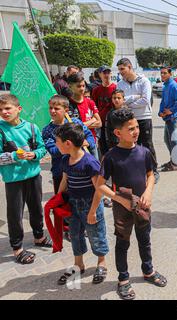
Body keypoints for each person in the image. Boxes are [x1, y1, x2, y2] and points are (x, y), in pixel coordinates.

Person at [96, 108, 167, 300]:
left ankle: (148, 270)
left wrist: (148, 192)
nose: (136, 131)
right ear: (118, 133)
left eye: (136, 127)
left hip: (143, 204)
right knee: (123, 243)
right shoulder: (110, 156)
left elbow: (151, 175)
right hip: (122, 207)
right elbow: (100, 185)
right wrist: (119, 199)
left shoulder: (144, 152)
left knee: (145, 239)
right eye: (131, 129)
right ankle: (123, 279)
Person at [0, 94, 52, 264]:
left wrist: (35, 154)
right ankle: (17, 248)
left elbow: (42, 148)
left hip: (34, 176)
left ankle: (39, 237)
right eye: (1, 110)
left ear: (18, 109)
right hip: (13, 180)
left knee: (36, 208)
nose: (4, 112)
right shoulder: (1, 130)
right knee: (15, 214)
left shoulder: (31, 127)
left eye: (8, 108)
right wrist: (15, 156)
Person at [55, 123, 109, 285]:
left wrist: (93, 211)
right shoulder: (65, 159)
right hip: (73, 205)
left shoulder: (90, 162)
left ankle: (101, 262)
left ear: (68, 143)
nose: (56, 145)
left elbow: (99, 189)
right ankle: (78, 264)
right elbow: (65, 180)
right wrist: (56, 201)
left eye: (57, 141)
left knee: (96, 234)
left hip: (90, 204)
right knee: (75, 235)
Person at [42, 95, 96, 195]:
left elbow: (89, 136)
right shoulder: (47, 130)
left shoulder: (75, 122)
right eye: (50, 108)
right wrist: (76, 145)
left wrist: (88, 142)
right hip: (60, 171)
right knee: (62, 203)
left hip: (82, 169)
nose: (52, 111)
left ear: (66, 110)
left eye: (57, 108)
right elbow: (54, 151)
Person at [116, 58, 158, 180]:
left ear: (129, 67)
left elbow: (145, 100)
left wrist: (127, 103)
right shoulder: (120, 84)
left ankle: (153, 171)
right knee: (132, 145)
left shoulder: (144, 81)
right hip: (129, 119)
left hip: (144, 117)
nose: (120, 72)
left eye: (122, 69)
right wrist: (134, 97)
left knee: (147, 145)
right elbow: (120, 100)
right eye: (119, 70)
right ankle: (138, 170)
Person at [67, 72, 102, 158]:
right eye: (79, 86)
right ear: (70, 86)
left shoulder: (90, 102)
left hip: (91, 142)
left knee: (95, 169)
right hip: (75, 144)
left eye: (83, 86)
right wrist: (92, 120)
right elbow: (72, 127)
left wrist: (81, 124)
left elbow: (99, 123)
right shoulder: (67, 105)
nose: (82, 88)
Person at [158, 66, 177, 172]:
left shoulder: (173, 85)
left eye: (165, 73)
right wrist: (160, 112)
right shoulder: (165, 85)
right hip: (167, 117)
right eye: (161, 73)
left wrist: (171, 110)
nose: (162, 75)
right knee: (167, 140)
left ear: (170, 74)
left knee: (173, 141)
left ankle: (175, 163)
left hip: (173, 117)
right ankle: (173, 160)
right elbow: (163, 101)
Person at [92, 65, 117, 158]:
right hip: (101, 123)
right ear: (100, 74)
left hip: (113, 123)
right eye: (104, 73)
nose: (106, 75)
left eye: (108, 72)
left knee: (114, 145)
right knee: (103, 147)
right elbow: (94, 107)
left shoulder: (115, 87)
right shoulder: (96, 90)